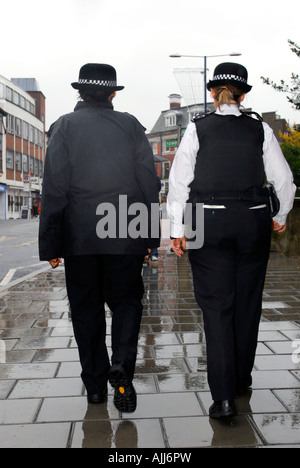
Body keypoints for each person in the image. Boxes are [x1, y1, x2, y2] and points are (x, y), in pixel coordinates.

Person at [167, 62, 296, 419]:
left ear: (213, 93)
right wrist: (279, 215)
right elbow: (283, 181)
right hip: (251, 220)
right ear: (244, 95)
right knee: (247, 303)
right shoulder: (260, 130)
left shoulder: (197, 129)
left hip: (206, 223)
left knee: (216, 307)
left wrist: (176, 230)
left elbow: (179, 183)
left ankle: (223, 398)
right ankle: (240, 380)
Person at [39, 63, 160, 412]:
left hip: (79, 235)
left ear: (80, 92)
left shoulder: (63, 126)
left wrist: (51, 242)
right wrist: (150, 236)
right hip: (124, 227)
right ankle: (121, 363)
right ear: (112, 93)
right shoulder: (131, 126)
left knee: (86, 309)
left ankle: (95, 386)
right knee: (127, 302)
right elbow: (148, 183)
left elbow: (55, 188)